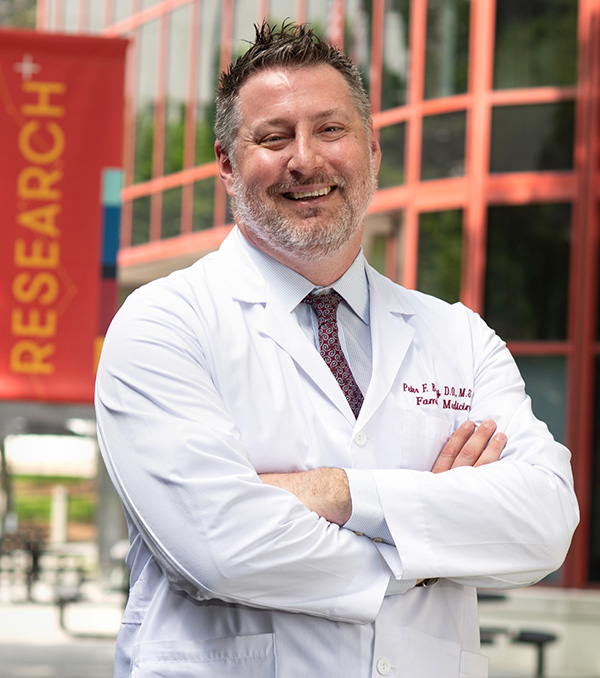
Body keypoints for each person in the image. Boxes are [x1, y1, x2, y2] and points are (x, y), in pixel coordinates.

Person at [95, 22, 579, 678]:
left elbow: (545, 522)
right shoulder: (163, 325)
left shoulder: (457, 336)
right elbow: (220, 547)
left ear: (373, 153)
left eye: (330, 130)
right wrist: (433, 544)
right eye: (273, 137)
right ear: (227, 167)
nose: (305, 160)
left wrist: (338, 492)